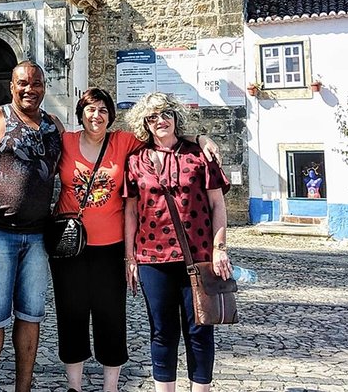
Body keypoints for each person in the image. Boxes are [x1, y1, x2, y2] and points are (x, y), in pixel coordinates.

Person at [50, 88, 221, 392]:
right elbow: (41, 125)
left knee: (117, 316)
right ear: (80, 114)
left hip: (137, 249)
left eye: (103, 110)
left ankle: (111, 388)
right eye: (90, 110)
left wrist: (202, 139)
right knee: (76, 314)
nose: (96, 116)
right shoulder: (74, 143)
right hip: (85, 248)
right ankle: (74, 387)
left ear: (111, 116)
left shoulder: (126, 143)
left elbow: (167, 138)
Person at [0, 60, 63, 392]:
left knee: (31, 315)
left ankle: (24, 388)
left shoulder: (54, 126)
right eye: (23, 83)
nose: (29, 89)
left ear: (44, 87)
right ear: (11, 86)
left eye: (36, 83)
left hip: (38, 238)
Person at [123, 92, 231, 392]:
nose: (161, 121)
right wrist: (130, 258)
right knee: (162, 332)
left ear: (176, 117)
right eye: (153, 117)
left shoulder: (199, 154)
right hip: (151, 259)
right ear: (145, 123)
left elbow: (217, 204)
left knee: (200, 330)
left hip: (197, 256)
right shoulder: (136, 161)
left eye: (166, 114)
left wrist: (220, 247)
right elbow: (131, 210)